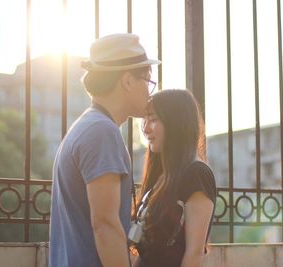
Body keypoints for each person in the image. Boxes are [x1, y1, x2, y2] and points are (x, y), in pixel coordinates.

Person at [49, 33, 160, 267]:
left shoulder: (88, 125)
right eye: (148, 80)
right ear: (127, 81)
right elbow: (105, 225)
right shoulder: (102, 132)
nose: (150, 91)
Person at [130, 89, 217, 267]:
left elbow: (194, 253)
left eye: (153, 119)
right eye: (144, 120)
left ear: (176, 123)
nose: (145, 128)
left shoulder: (197, 174)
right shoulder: (161, 173)